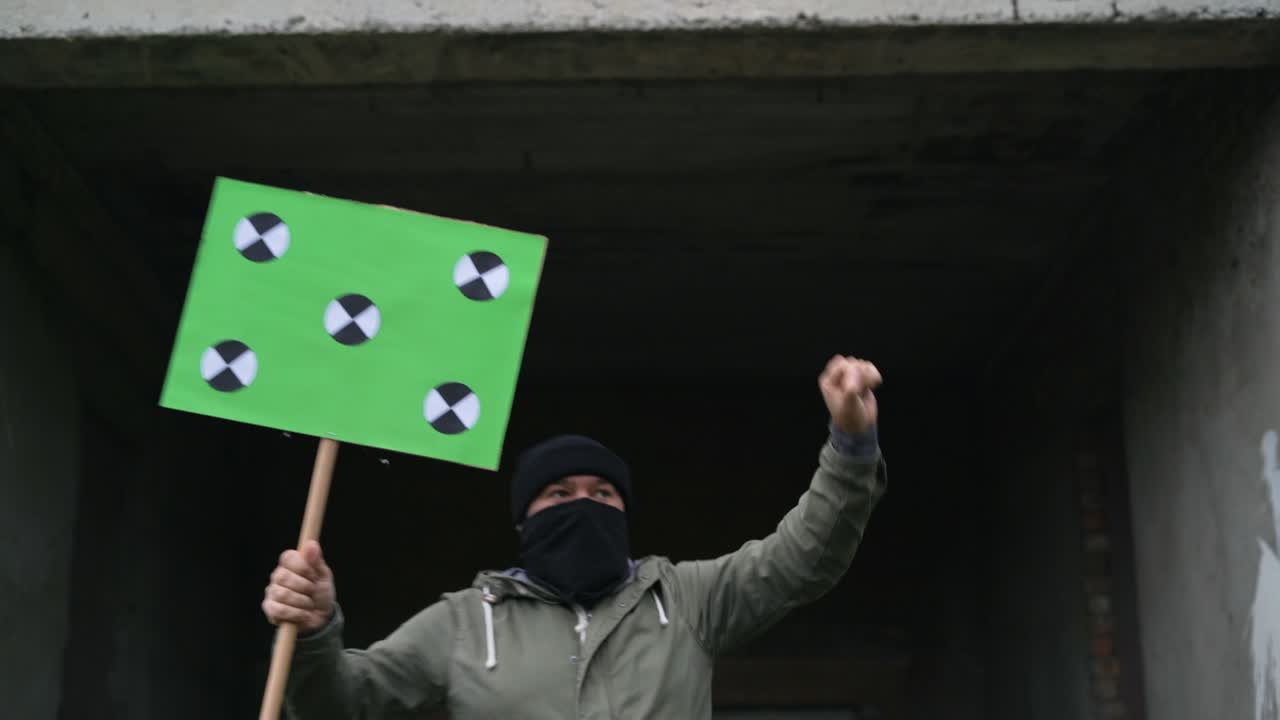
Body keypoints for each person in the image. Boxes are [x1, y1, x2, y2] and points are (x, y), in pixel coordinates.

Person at [263, 355, 888, 719]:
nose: (583, 505)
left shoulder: (687, 599)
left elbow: (806, 556)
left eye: (603, 494)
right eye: (559, 496)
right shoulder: (463, 623)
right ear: (524, 520)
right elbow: (343, 703)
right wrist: (315, 631)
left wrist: (851, 446)